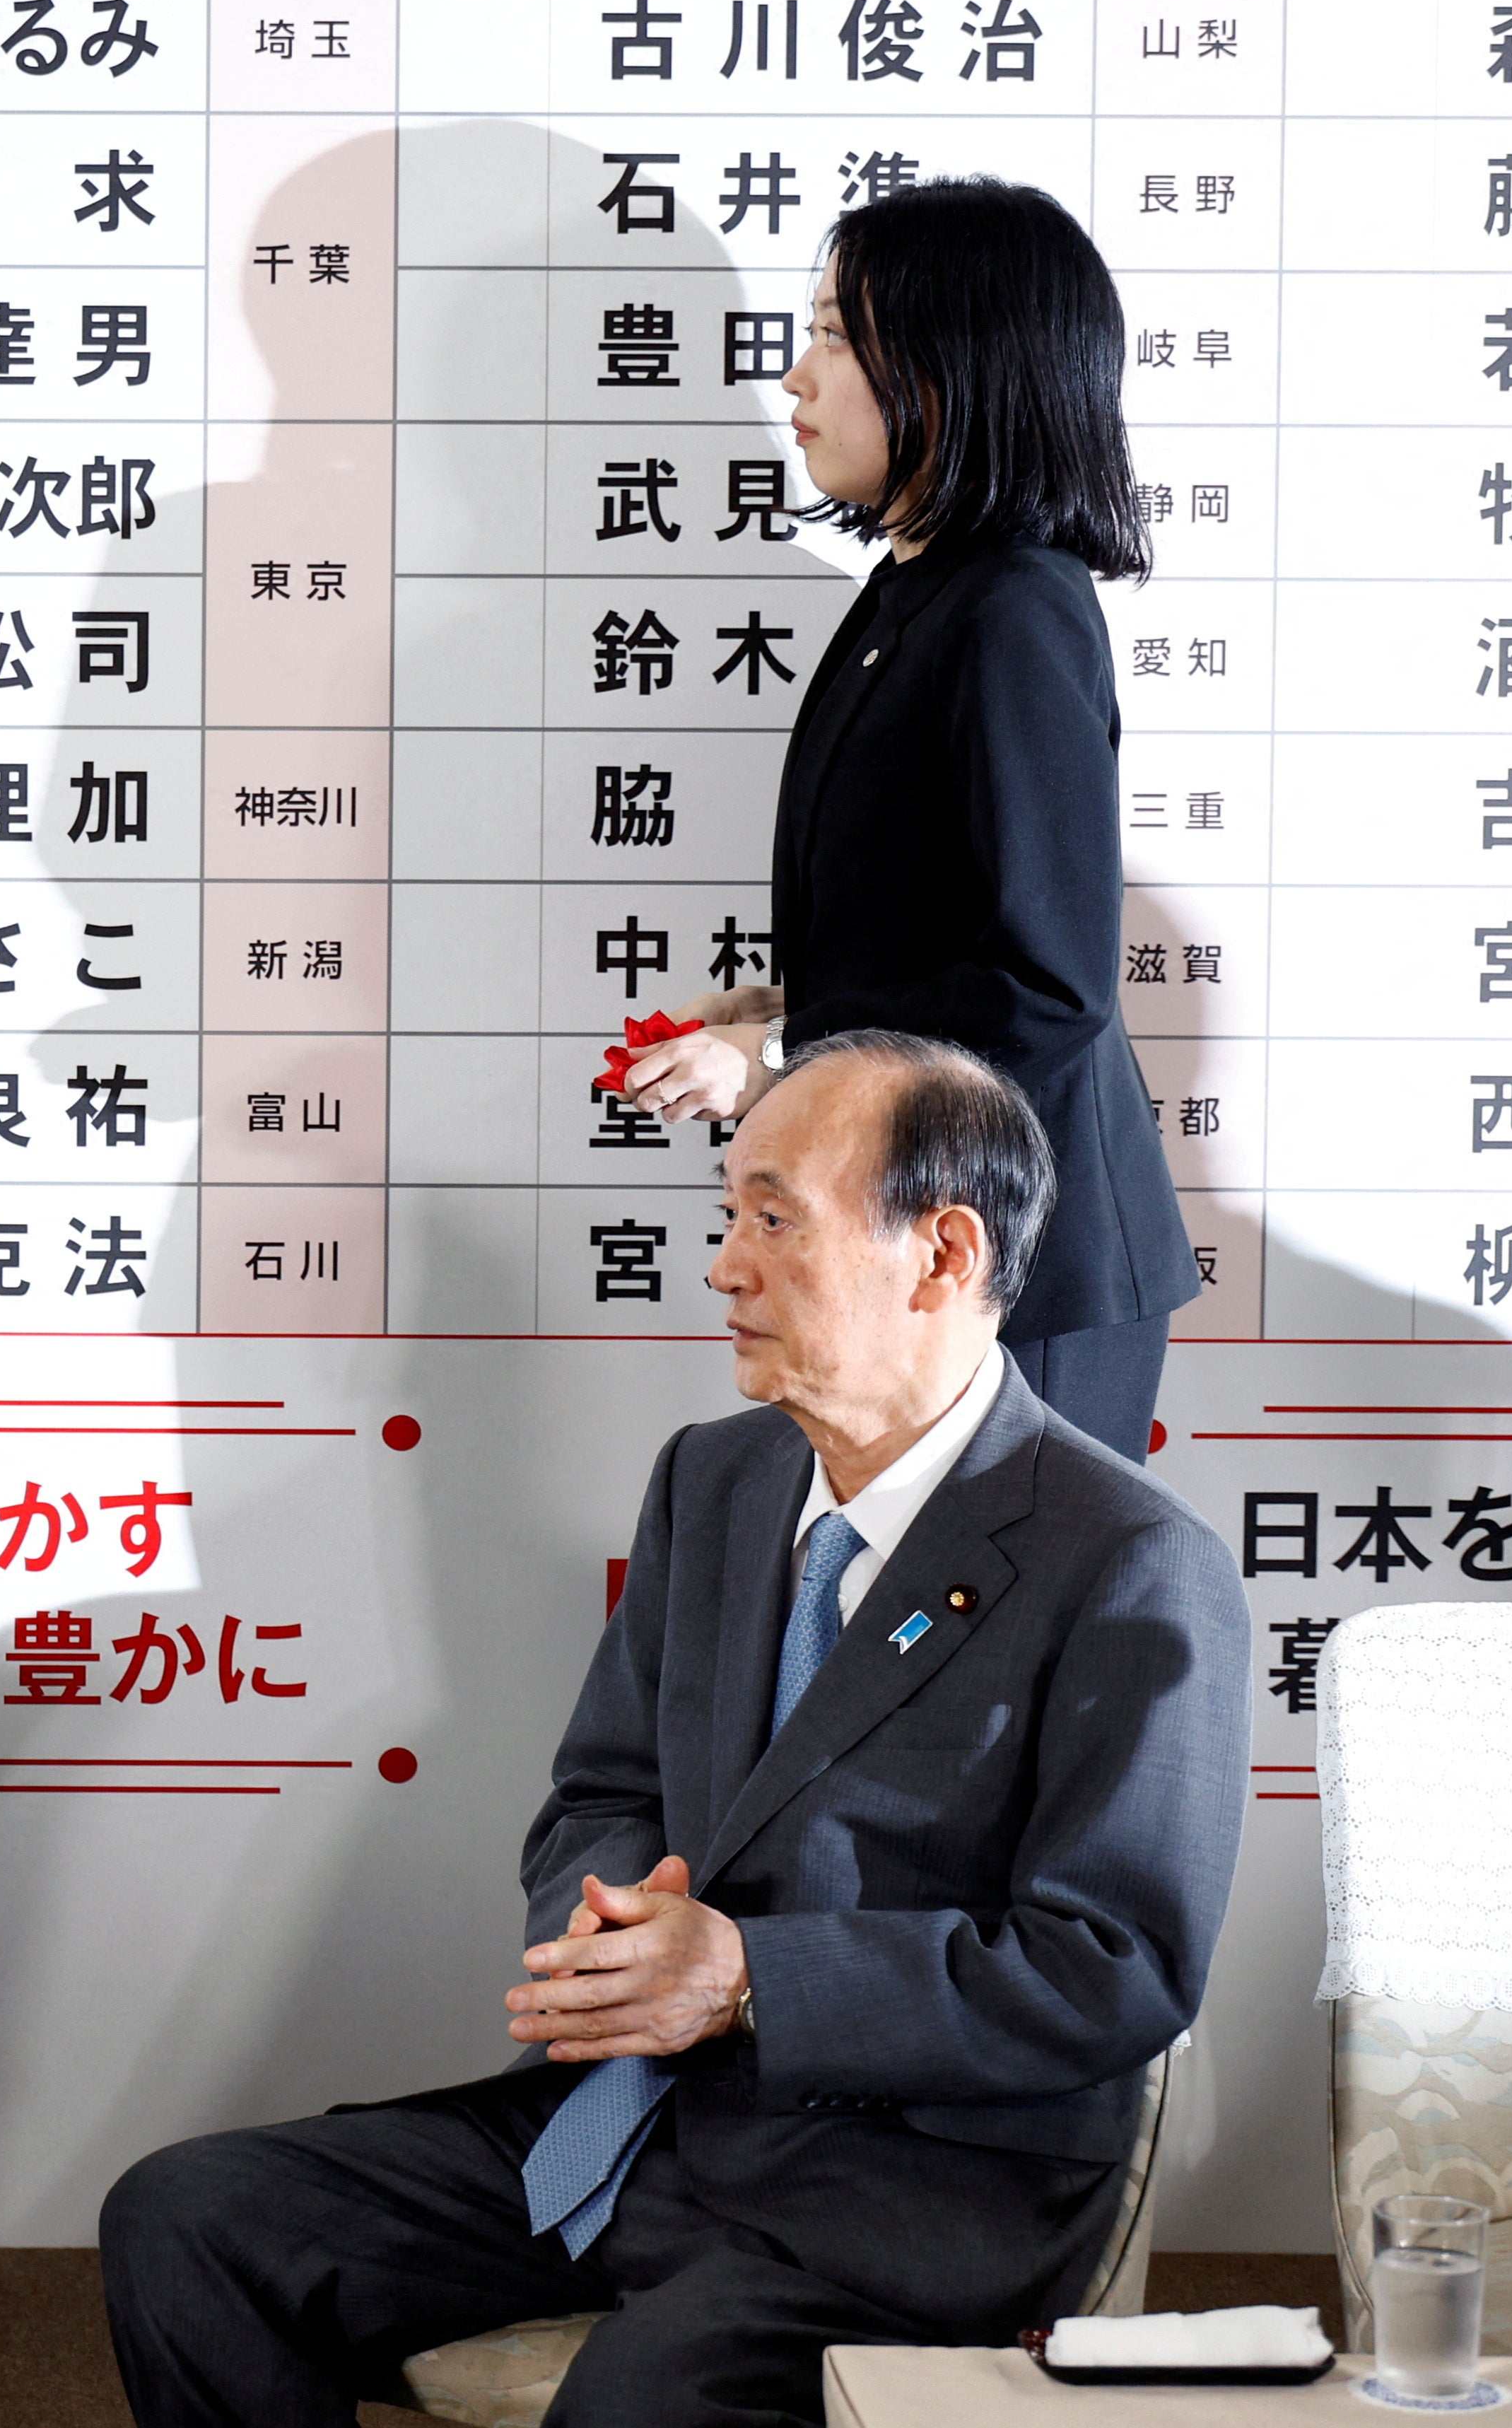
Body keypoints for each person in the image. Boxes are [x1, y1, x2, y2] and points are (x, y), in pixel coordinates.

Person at [100, 1032, 1249, 2428]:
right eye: (726, 1219)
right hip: (642, 2118)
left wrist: (751, 1976)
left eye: (773, 1219)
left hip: (907, 2189)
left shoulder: (1122, 1556)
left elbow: (1113, 1966)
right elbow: (602, 1785)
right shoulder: (715, 1480)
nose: (722, 1266)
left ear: (941, 1255)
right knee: (196, 2221)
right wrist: (613, 1933)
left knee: (645, 2399)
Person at [619, 178, 1199, 1464]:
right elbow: (944, 911)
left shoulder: (1014, 609)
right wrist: (785, 1007)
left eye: (833, 335)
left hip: (1022, 1276)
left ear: (945, 368)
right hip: (938, 1252)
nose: (792, 379)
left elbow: (1044, 983)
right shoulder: (919, 590)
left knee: (997, 1653)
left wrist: (790, 1059)